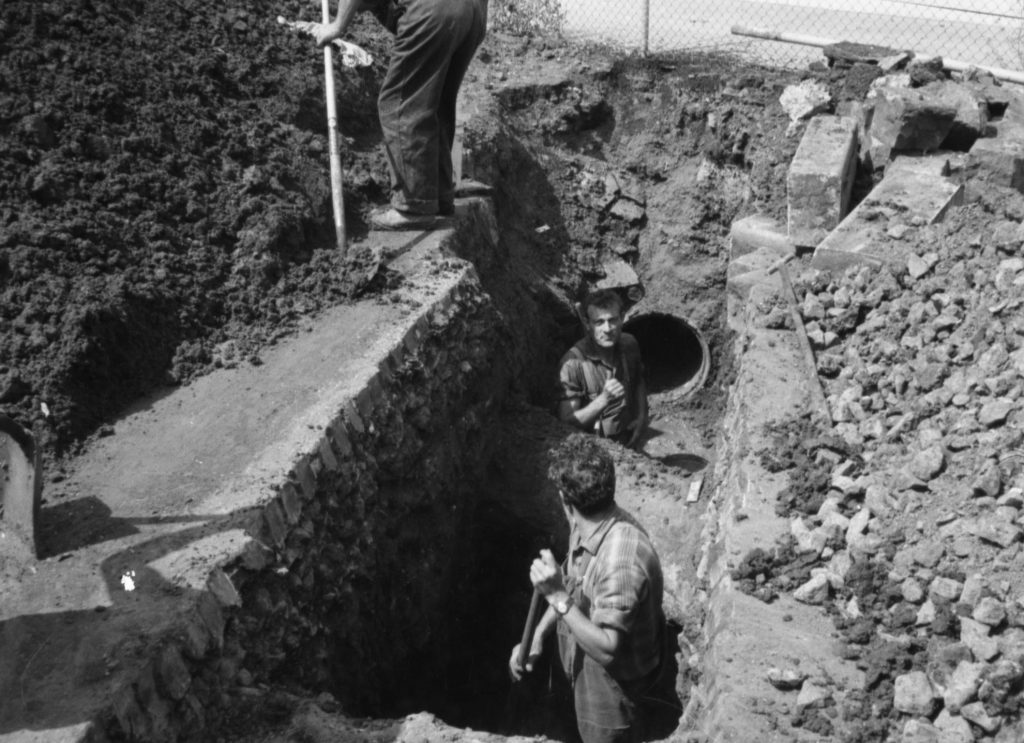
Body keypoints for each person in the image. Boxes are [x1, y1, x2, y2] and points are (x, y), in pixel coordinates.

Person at [509, 434, 668, 743]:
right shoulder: (586, 527)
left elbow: (608, 648)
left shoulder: (621, 559)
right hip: (579, 664)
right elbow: (571, 587)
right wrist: (539, 637)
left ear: (565, 500)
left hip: (615, 689)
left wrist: (555, 595)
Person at [309, 0, 489, 230]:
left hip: (433, 10)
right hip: (471, 12)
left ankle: (413, 207)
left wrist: (336, 26)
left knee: (399, 103)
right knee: (436, 100)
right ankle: (439, 196)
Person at [558, 289, 648, 449]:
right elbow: (566, 422)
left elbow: (639, 380)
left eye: (612, 320)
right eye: (599, 322)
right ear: (587, 324)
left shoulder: (629, 344)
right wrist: (603, 399)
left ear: (622, 318)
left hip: (629, 444)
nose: (607, 329)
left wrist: (641, 416)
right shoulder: (573, 363)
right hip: (595, 451)